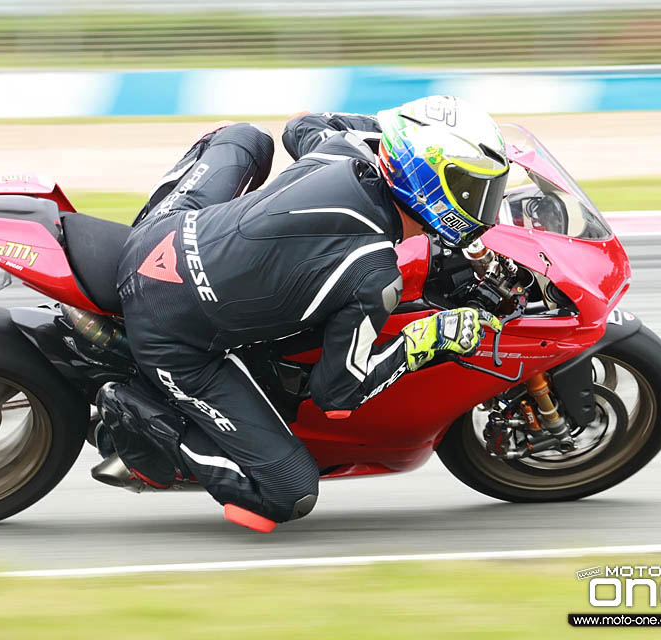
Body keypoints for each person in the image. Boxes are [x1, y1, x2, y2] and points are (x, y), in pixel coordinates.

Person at [96, 95, 508, 532]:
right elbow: (337, 394)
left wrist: (393, 135)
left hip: (160, 233)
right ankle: (136, 415)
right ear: (429, 183)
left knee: (245, 137)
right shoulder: (373, 274)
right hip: (172, 338)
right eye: (473, 190)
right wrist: (426, 339)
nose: (486, 205)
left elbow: (298, 124)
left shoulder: (343, 146)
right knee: (290, 493)